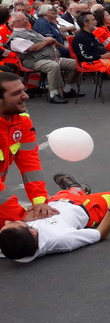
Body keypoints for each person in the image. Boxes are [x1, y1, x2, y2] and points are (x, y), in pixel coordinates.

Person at [0, 171, 110, 263]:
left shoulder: (11, 246)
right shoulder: (62, 239)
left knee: (68, 193)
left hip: (53, 203)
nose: (7, 221)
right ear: (32, 232)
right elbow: (101, 233)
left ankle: (76, 188)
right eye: (14, 223)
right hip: (89, 208)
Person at [0, 72, 48, 222]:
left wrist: (39, 201)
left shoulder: (22, 120)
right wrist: (21, 215)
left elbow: (30, 164)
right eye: (16, 93)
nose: (25, 96)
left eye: (23, 90)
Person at [8, 11, 82, 104]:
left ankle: (67, 89)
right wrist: (46, 42)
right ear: (13, 23)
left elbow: (50, 40)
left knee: (76, 64)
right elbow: (31, 48)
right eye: (21, 20)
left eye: (25, 19)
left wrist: (62, 47)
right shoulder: (15, 38)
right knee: (53, 66)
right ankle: (54, 94)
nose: (25, 21)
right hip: (34, 60)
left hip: (51, 58)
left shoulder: (31, 32)